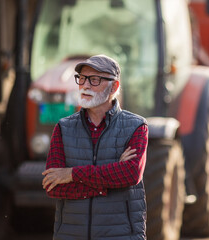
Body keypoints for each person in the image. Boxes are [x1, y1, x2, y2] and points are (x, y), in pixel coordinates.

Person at [42, 54, 148, 240]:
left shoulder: (136, 127)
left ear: (114, 86)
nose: (85, 85)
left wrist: (71, 174)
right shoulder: (63, 128)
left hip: (121, 235)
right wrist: (108, 183)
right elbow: (53, 187)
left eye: (95, 80)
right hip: (70, 234)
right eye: (82, 79)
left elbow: (130, 174)